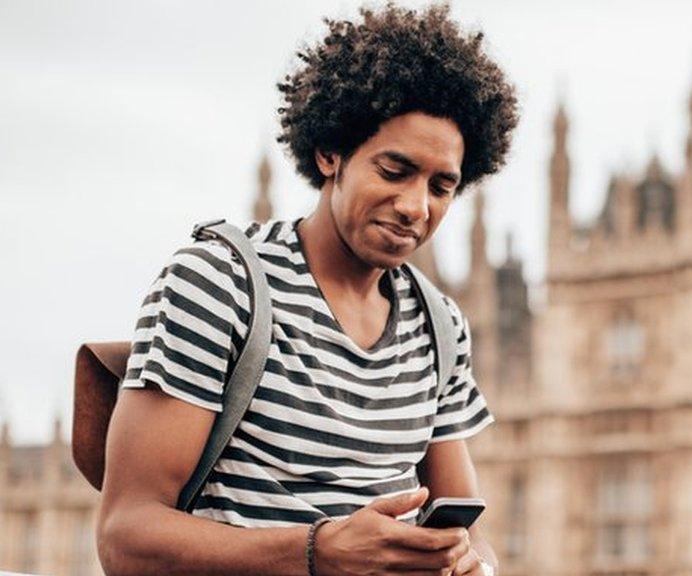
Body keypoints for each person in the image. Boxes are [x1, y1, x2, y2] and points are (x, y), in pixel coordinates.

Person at [95, 4, 518, 575]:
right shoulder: (219, 283)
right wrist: (318, 552)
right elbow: (126, 536)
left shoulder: (440, 326)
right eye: (394, 172)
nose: (416, 207)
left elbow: (470, 538)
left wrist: (472, 566)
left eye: (441, 186)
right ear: (330, 154)